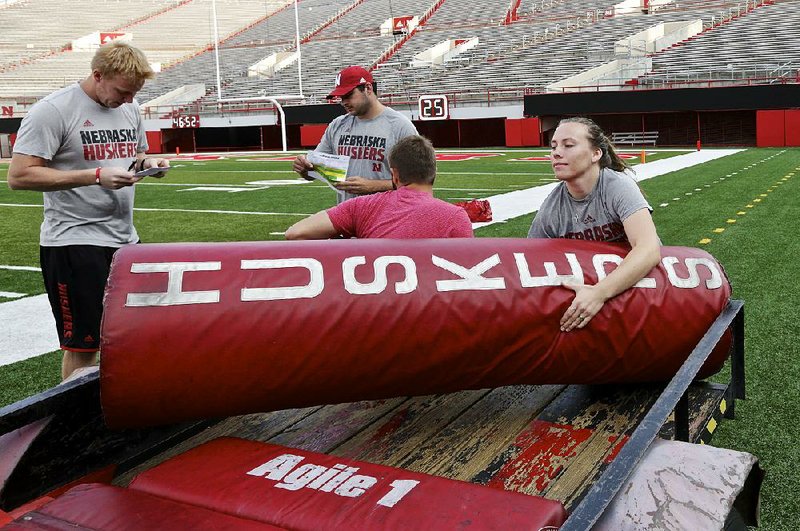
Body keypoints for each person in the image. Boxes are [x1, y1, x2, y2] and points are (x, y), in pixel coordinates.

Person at [7, 41, 170, 380]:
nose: (127, 100)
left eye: (133, 93)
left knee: (132, 334)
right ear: (98, 75)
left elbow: (136, 153)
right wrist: (94, 176)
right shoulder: (52, 110)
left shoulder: (129, 105)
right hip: (74, 242)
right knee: (84, 345)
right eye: (123, 91)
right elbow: (19, 176)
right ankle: (77, 427)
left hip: (125, 239)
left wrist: (149, 162)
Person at [528, 117, 660, 333]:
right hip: (589, 297)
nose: (556, 152)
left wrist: (599, 293)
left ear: (595, 154)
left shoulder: (617, 186)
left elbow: (649, 249)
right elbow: (529, 260)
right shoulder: (551, 208)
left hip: (639, 292)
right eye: (553, 146)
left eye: (568, 145)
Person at [286, 135, 473, 239]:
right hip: (427, 304)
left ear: (395, 174)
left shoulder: (361, 207)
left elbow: (295, 233)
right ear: (434, 172)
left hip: (377, 303)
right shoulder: (455, 218)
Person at [292, 65, 418, 202]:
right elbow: (314, 171)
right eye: (341, 97)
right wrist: (305, 169)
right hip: (348, 216)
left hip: (386, 217)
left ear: (368, 88)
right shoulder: (337, 125)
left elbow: (419, 181)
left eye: (348, 95)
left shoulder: (400, 126)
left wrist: (373, 186)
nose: (343, 102)